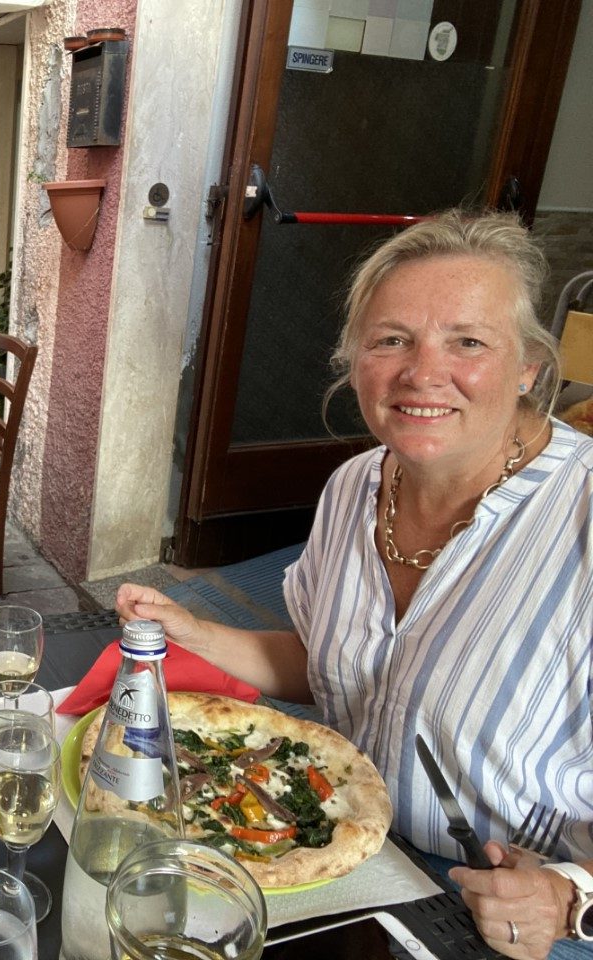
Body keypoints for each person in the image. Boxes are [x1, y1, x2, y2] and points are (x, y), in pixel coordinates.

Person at [116, 210, 593, 960]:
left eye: (468, 342)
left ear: (529, 366)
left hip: (504, 923)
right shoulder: (352, 487)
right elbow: (330, 665)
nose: (421, 373)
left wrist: (569, 898)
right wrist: (194, 631)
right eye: (391, 340)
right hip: (340, 861)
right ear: (355, 360)